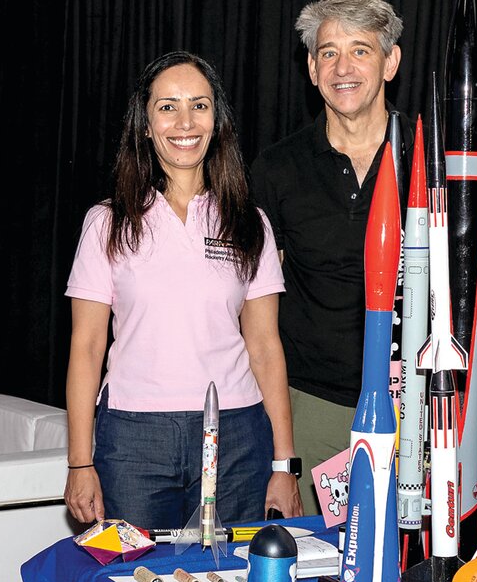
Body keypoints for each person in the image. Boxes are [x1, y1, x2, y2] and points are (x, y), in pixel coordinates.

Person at [64, 51, 302, 531]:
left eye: (200, 105)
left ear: (217, 122)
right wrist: (78, 462)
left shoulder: (248, 223)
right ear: (146, 125)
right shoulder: (107, 223)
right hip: (133, 439)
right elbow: (87, 349)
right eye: (167, 107)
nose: (185, 121)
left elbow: (265, 347)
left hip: (237, 433)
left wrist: (283, 464)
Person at [251, 0, 405, 515]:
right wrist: (282, 457)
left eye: (361, 50)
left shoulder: (430, 159)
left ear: (390, 62)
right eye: (328, 52)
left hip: (415, 405)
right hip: (312, 405)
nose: (344, 67)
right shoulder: (278, 169)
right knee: (315, 573)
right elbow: (254, 308)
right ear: (312, 69)